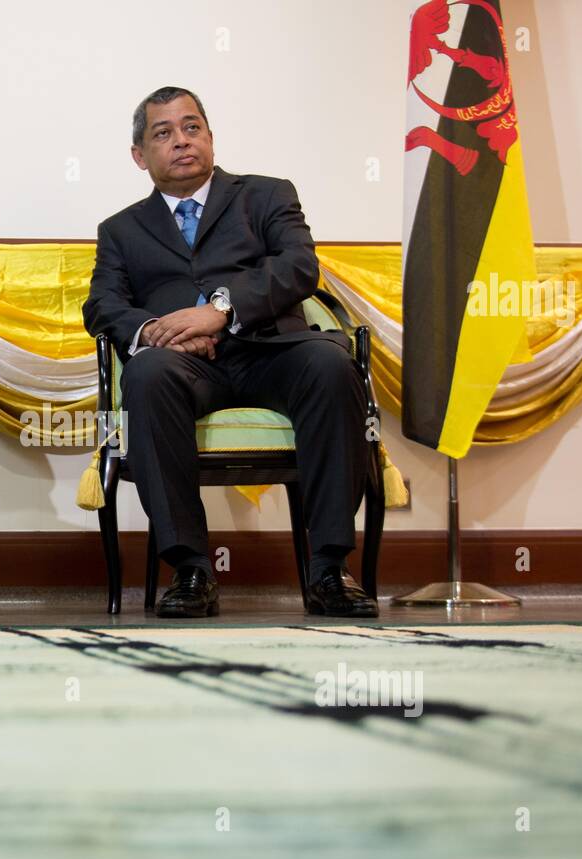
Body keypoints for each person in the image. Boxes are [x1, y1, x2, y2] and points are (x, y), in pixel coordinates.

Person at [83, 86, 377, 618]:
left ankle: (330, 568)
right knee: (147, 377)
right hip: (185, 363)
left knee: (332, 366)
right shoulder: (120, 230)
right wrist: (157, 330)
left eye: (192, 127)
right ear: (139, 155)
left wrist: (220, 309)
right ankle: (191, 569)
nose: (181, 141)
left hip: (273, 350)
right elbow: (102, 305)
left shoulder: (265, 195)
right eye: (163, 133)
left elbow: (298, 267)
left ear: (211, 138)